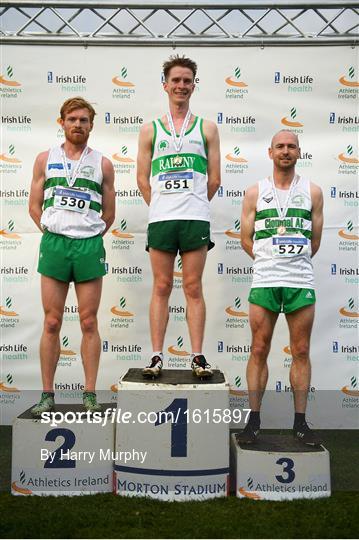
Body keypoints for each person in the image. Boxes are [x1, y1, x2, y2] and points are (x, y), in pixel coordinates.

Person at [29, 97, 115, 416]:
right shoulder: (44, 159)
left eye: (84, 120)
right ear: (61, 122)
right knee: (52, 322)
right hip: (55, 244)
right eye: (72, 119)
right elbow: (34, 206)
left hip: (88, 246)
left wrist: (85, 234)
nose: (78, 124)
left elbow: (109, 214)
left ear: (92, 125)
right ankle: (47, 394)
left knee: (88, 321)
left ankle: (89, 394)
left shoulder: (103, 163)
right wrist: (55, 230)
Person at [137, 55, 221, 378]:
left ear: (193, 86)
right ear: (165, 85)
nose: (181, 86)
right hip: (161, 219)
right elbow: (142, 179)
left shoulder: (207, 128)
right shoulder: (150, 130)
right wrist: (161, 204)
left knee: (193, 286)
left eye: (187, 81)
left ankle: (197, 356)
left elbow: (214, 179)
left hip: (194, 218)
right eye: (176, 80)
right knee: (160, 286)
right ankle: (157, 355)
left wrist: (193, 202)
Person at [239, 130, 323, 445]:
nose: (285, 151)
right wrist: (268, 261)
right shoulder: (254, 192)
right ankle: (254, 420)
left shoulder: (312, 192)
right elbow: (247, 239)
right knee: (259, 349)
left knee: (300, 350)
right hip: (265, 279)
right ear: (270, 152)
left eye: (291, 146)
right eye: (279, 146)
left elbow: (314, 241)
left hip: (300, 280)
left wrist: (292, 263)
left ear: (299, 152)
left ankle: (300, 423)